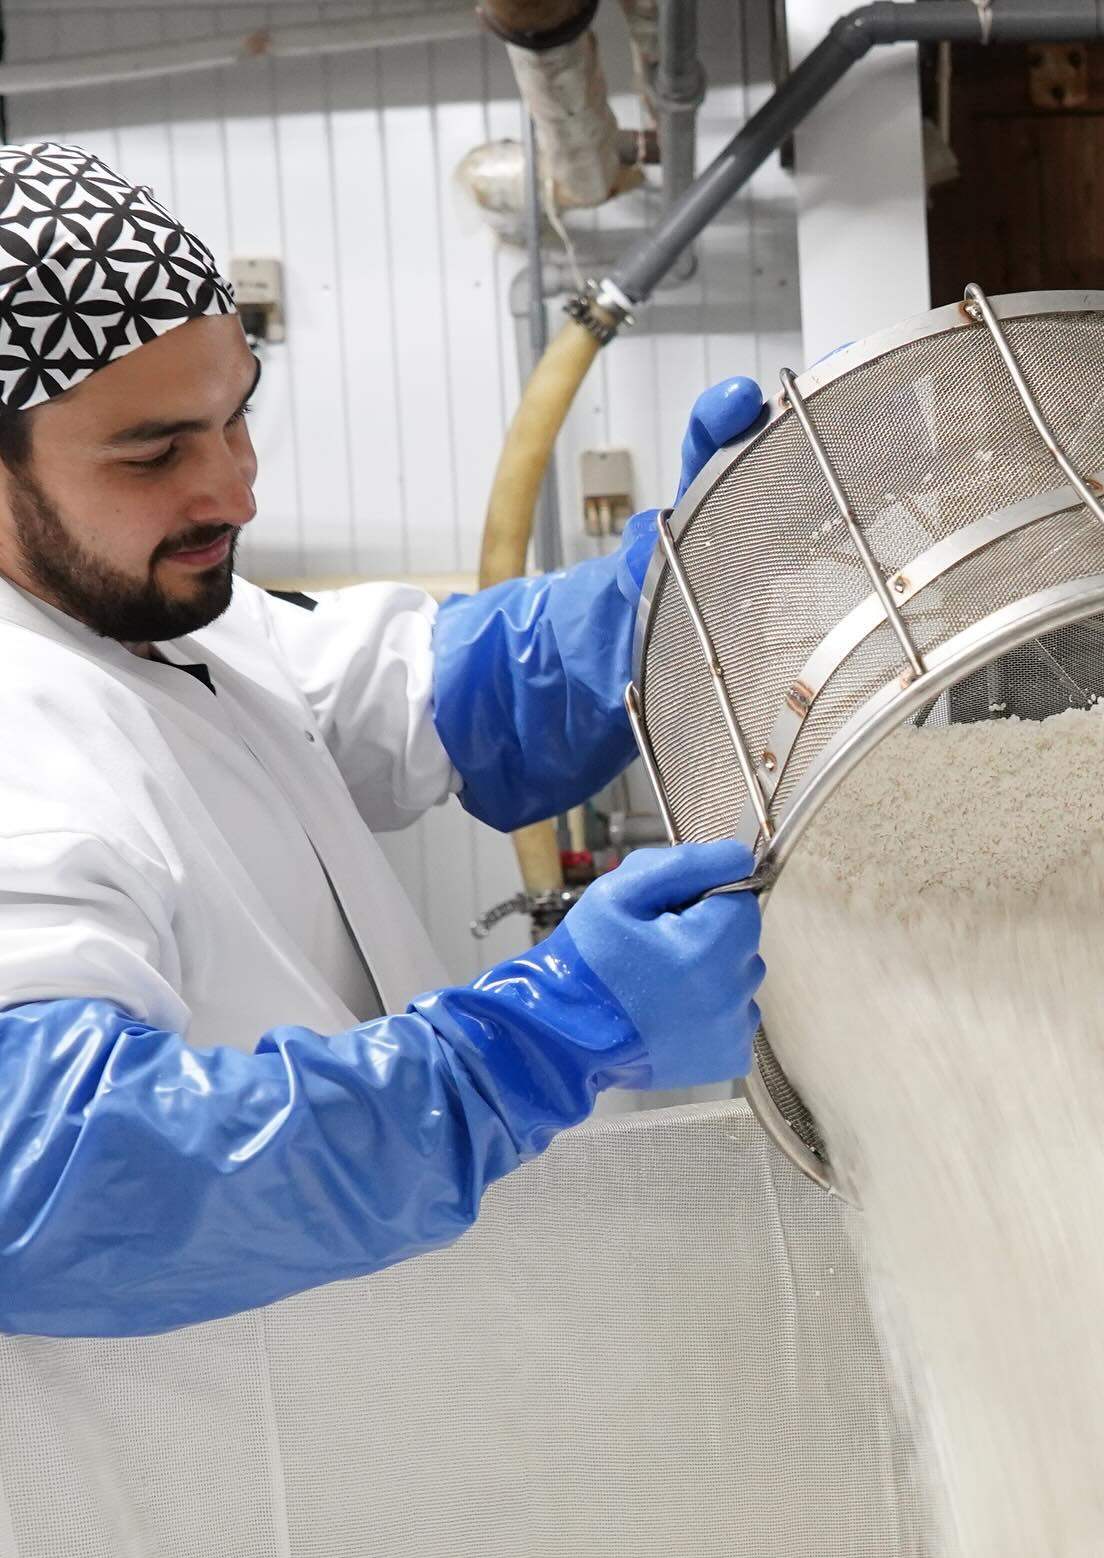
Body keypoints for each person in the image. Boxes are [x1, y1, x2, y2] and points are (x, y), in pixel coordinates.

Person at [0, 141, 767, 1337]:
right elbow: (54, 1183)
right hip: (202, 1481)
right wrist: (518, 1052)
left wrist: (679, 584)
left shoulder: (162, 616)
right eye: (156, 452)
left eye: (235, 418)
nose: (235, 491)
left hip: (378, 1411)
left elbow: (453, 694)